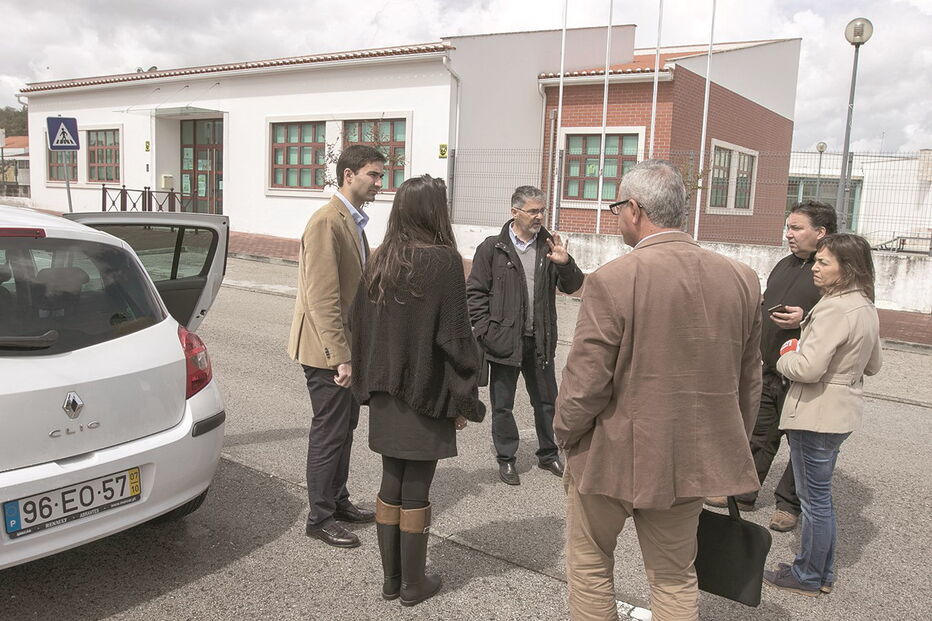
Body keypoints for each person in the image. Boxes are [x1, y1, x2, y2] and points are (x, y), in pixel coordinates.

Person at [554, 160, 762, 621]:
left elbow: (584, 382)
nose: (616, 217)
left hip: (609, 455)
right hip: (688, 459)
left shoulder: (612, 279)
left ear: (634, 209)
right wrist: (727, 443)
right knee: (674, 575)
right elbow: (750, 379)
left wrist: (565, 434)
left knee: (590, 566)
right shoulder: (742, 278)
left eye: (615, 208)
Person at [351, 175, 486, 606]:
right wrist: (466, 397)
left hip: (386, 392)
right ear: (434, 210)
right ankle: (413, 585)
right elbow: (457, 339)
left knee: (392, 483)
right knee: (418, 490)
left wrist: (365, 382)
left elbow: (359, 324)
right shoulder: (444, 261)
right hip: (426, 393)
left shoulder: (380, 258)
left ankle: (393, 581)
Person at [707, 200, 838, 532]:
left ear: (821, 232)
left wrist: (804, 318)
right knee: (760, 432)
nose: (789, 234)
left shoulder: (835, 270)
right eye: (788, 226)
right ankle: (744, 492)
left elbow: (844, 317)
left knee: (801, 442)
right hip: (771, 367)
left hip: (807, 373)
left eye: (797, 228)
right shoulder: (785, 264)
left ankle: (788, 505)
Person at [764, 233, 882, 597]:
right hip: (842, 411)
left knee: (814, 501)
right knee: (820, 497)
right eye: (816, 261)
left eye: (823, 262)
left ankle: (809, 575)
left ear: (847, 269)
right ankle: (820, 572)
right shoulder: (863, 304)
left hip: (816, 413)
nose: (814, 267)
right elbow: (874, 364)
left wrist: (785, 351)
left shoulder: (833, 308)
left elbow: (808, 368)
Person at [287, 144, 386, 548]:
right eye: (374, 175)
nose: (380, 183)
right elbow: (322, 297)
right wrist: (339, 357)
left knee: (344, 428)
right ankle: (319, 517)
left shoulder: (353, 221)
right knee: (329, 431)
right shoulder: (327, 222)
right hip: (327, 353)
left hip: (347, 349)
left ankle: (338, 499)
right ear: (349, 175)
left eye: (381, 175)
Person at [466, 185, 584, 486]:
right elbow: (475, 294)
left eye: (542, 210)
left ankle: (548, 455)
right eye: (533, 211)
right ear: (514, 212)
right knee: (503, 405)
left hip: (540, 341)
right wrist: (485, 332)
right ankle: (506, 458)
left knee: (547, 402)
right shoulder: (492, 248)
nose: (539, 216)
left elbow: (573, 286)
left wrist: (565, 262)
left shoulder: (549, 247)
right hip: (504, 342)